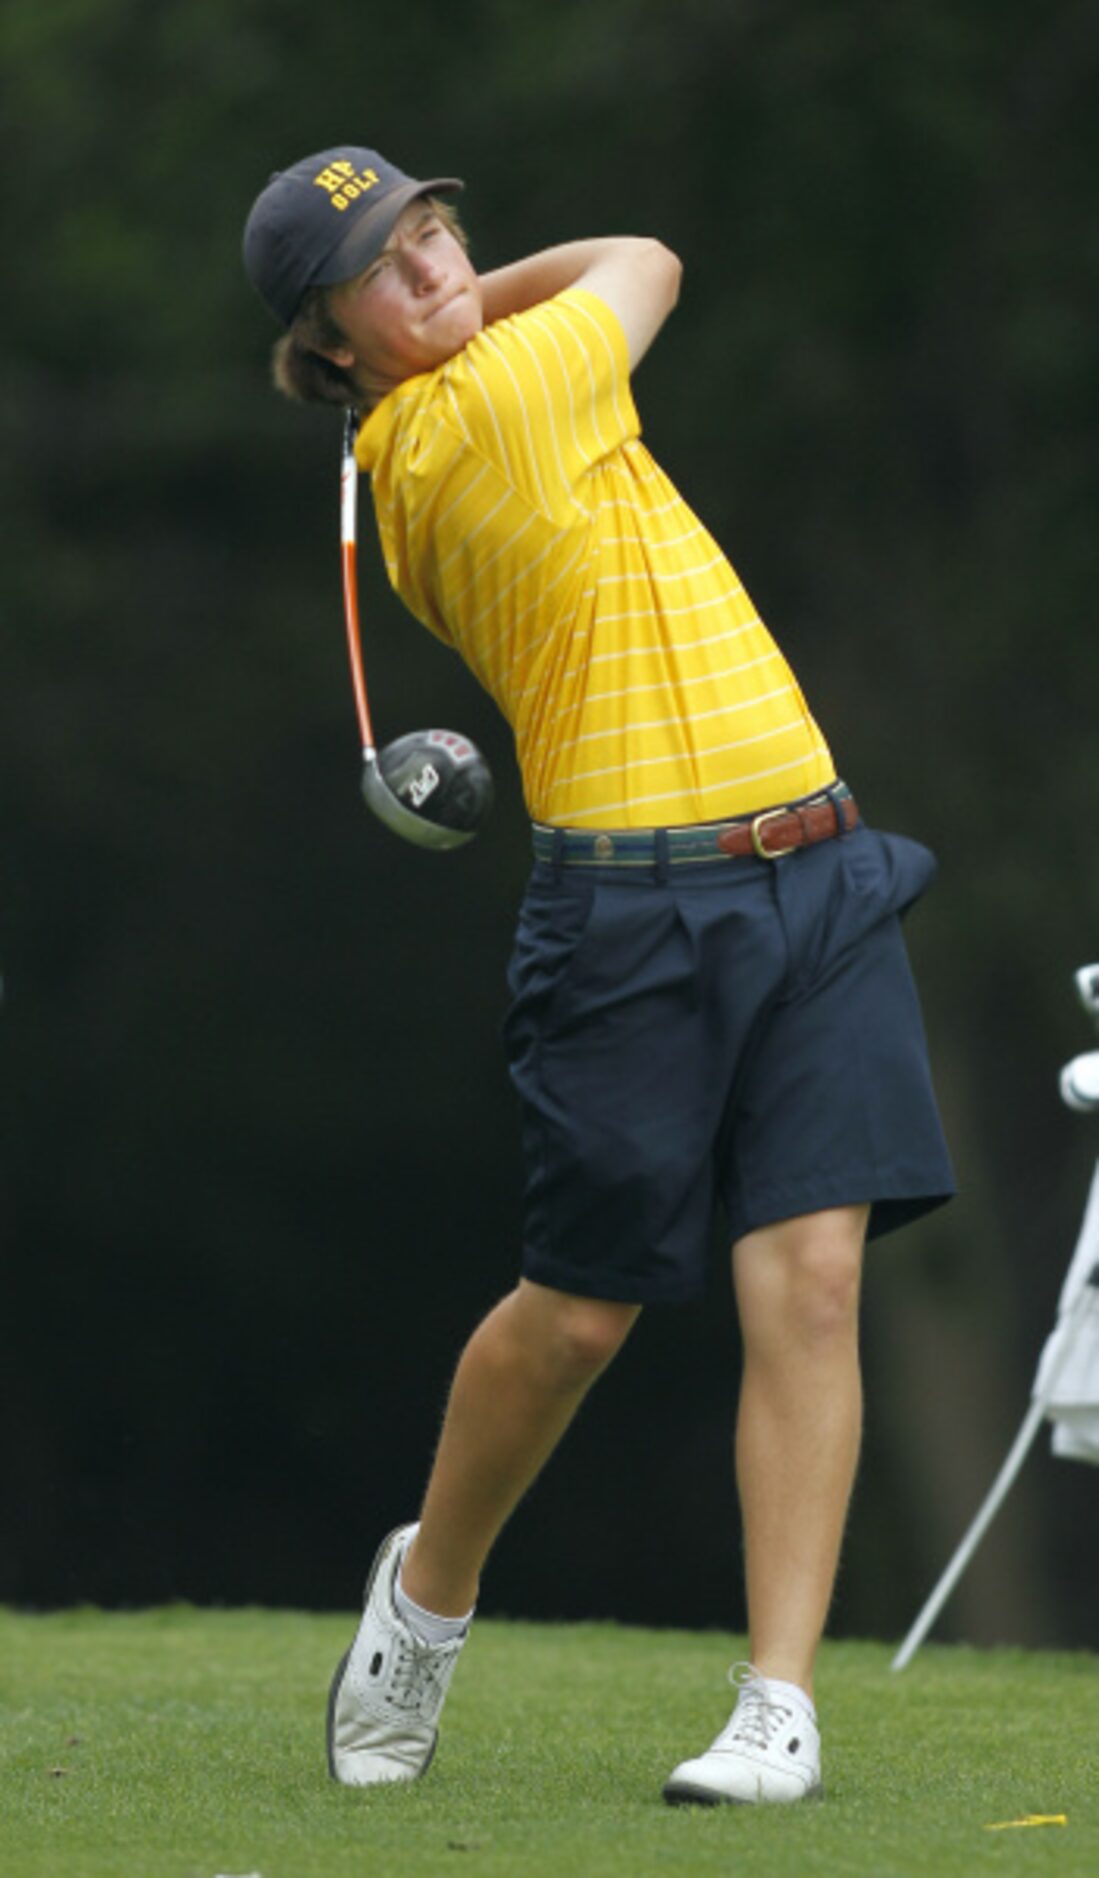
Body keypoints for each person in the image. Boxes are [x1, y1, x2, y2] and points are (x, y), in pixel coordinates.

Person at [242, 147, 955, 1807]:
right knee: (576, 1317)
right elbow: (646, 254)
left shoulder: (472, 379)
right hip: (633, 912)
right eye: (385, 266)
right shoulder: (460, 427)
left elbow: (620, 268)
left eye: (435, 233)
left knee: (819, 1283)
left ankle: (776, 1702)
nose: (431, 267)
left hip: (817, 860)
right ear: (333, 344)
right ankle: (427, 1595)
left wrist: (454, 303)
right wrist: (478, 315)